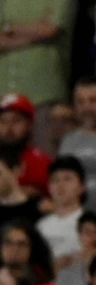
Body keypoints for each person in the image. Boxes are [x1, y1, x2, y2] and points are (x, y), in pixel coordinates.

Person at [37, 157, 87, 284]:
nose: (60, 185)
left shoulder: (90, 224)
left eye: (67, 179)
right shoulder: (40, 226)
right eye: (55, 180)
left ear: (82, 187)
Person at [58, 78, 96, 209]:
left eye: (92, 101)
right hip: (77, 220)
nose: (86, 108)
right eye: (80, 102)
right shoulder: (67, 141)